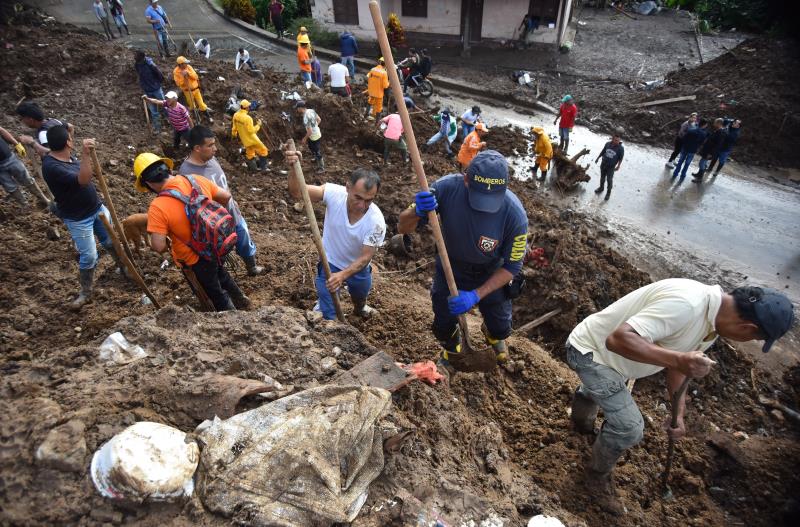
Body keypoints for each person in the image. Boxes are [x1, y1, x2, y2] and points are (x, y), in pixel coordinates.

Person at [565, 279, 794, 515]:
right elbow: (618, 339)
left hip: (612, 362)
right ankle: (596, 476)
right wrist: (678, 360)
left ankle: (581, 421)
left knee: (600, 393)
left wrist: (679, 414)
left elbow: (680, 365)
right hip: (589, 353)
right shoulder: (687, 306)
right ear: (747, 328)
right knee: (629, 427)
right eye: (754, 339)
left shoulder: (713, 318)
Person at [398, 150, 528, 368]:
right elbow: (403, 226)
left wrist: (476, 295)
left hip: (491, 271)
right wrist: (416, 212)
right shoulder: (445, 189)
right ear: (466, 179)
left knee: (501, 326)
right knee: (442, 320)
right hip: (452, 268)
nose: (484, 207)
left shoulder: (515, 215)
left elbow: (512, 267)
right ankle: (452, 348)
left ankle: (493, 335)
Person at [134, 152, 250, 311]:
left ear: (148, 183)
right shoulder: (195, 179)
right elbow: (225, 196)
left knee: (215, 291)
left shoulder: (158, 206)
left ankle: (234, 317)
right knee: (221, 273)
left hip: (195, 258)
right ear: (168, 169)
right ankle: (242, 301)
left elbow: (159, 246)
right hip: (216, 243)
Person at [284, 149, 386, 320]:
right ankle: (331, 325)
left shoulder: (376, 222)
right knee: (329, 312)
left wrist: (343, 275)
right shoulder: (333, 193)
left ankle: (360, 308)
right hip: (329, 262)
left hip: (357, 267)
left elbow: (365, 258)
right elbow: (297, 191)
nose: (362, 205)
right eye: (358, 198)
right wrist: (294, 168)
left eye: (369, 200)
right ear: (347, 187)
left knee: (360, 294)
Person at [41, 125, 125, 309]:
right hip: (79, 219)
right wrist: (86, 154)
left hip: (97, 208)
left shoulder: (63, 156)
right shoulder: (52, 167)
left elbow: (50, 148)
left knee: (110, 241)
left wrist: (33, 142)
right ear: (68, 143)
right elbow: (84, 180)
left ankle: (123, 267)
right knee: (89, 256)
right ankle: (86, 292)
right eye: (70, 138)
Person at [179, 126, 265, 276]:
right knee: (219, 252)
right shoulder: (187, 174)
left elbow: (221, 183)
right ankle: (222, 276)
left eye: (214, 144)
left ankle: (251, 266)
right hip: (213, 223)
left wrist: (232, 200)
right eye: (210, 145)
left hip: (231, 211)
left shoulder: (212, 160)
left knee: (243, 235)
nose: (215, 149)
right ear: (197, 148)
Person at [0, 126, 50, 208]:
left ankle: (44, 199)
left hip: (9, 157)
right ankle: (25, 205)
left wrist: (16, 144)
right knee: (10, 186)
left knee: (27, 178)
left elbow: (1, 130)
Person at [231, 99, 269, 172]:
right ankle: (263, 168)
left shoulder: (235, 115)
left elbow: (234, 127)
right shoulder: (248, 118)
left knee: (250, 154)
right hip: (253, 140)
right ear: (247, 107)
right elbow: (251, 131)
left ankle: (253, 169)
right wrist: (258, 125)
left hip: (245, 140)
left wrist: (234, 135)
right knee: (264, 151)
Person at [173, 56, 213, 123]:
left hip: (196, 89)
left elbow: (196, 76)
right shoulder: (176, 72)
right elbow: (178, 84)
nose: (186, 64)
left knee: (201, 103)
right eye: (185, 63)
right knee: (192, 106)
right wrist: (183, 77)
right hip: (187, 91)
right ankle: (197, 118)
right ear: (181, 64)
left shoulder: (189, 67)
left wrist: (188, 73)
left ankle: (208, 116)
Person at [134, 50, 165, 134]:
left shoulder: (150, 65)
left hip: (156, 89)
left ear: (143, 58)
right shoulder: (137, 64)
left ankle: (173, 122)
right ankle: (157, 128)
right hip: (147, 91)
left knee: (166, 106)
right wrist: (143, 87)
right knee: (153, 111)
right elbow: (139, 75)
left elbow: (160, 75)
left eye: (137, 56)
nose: (135, 57)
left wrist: (157, 83)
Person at [693, 118, 726, 182]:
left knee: (702, 163)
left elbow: (717, 145)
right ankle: (699, 174)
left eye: (715, 123)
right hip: (707, 150)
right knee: (703, 163)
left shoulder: (721, 133)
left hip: (709, 152)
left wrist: (711, 153)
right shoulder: (717, 130)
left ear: (719, 124)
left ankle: (700, 178)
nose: (714, 124)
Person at [593, 131, 625, 200]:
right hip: (603, 164)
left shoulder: (620, 148)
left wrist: (618, 166)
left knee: (609, 180)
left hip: (611, 167)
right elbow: (603, 151)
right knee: (602, 177)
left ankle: (608, 193)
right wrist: (598, 158)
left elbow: (621, 158)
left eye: (618, 140)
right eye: (616, 140)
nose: (617, 142)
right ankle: (601, 188)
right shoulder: (607, 144)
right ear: (612, 139)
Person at [295, 100, 324, 171]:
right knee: (311, 146)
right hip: (317, 133)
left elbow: (310, 132)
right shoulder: (311, 110)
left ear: (301, 108)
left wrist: (304, 138)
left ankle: (321, 167)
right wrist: (315, 127)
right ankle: (315, 157)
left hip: (314, 136)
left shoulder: (306, 117)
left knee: (317, 151)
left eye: (297, 108)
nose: (297, 109)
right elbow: (319, 119)